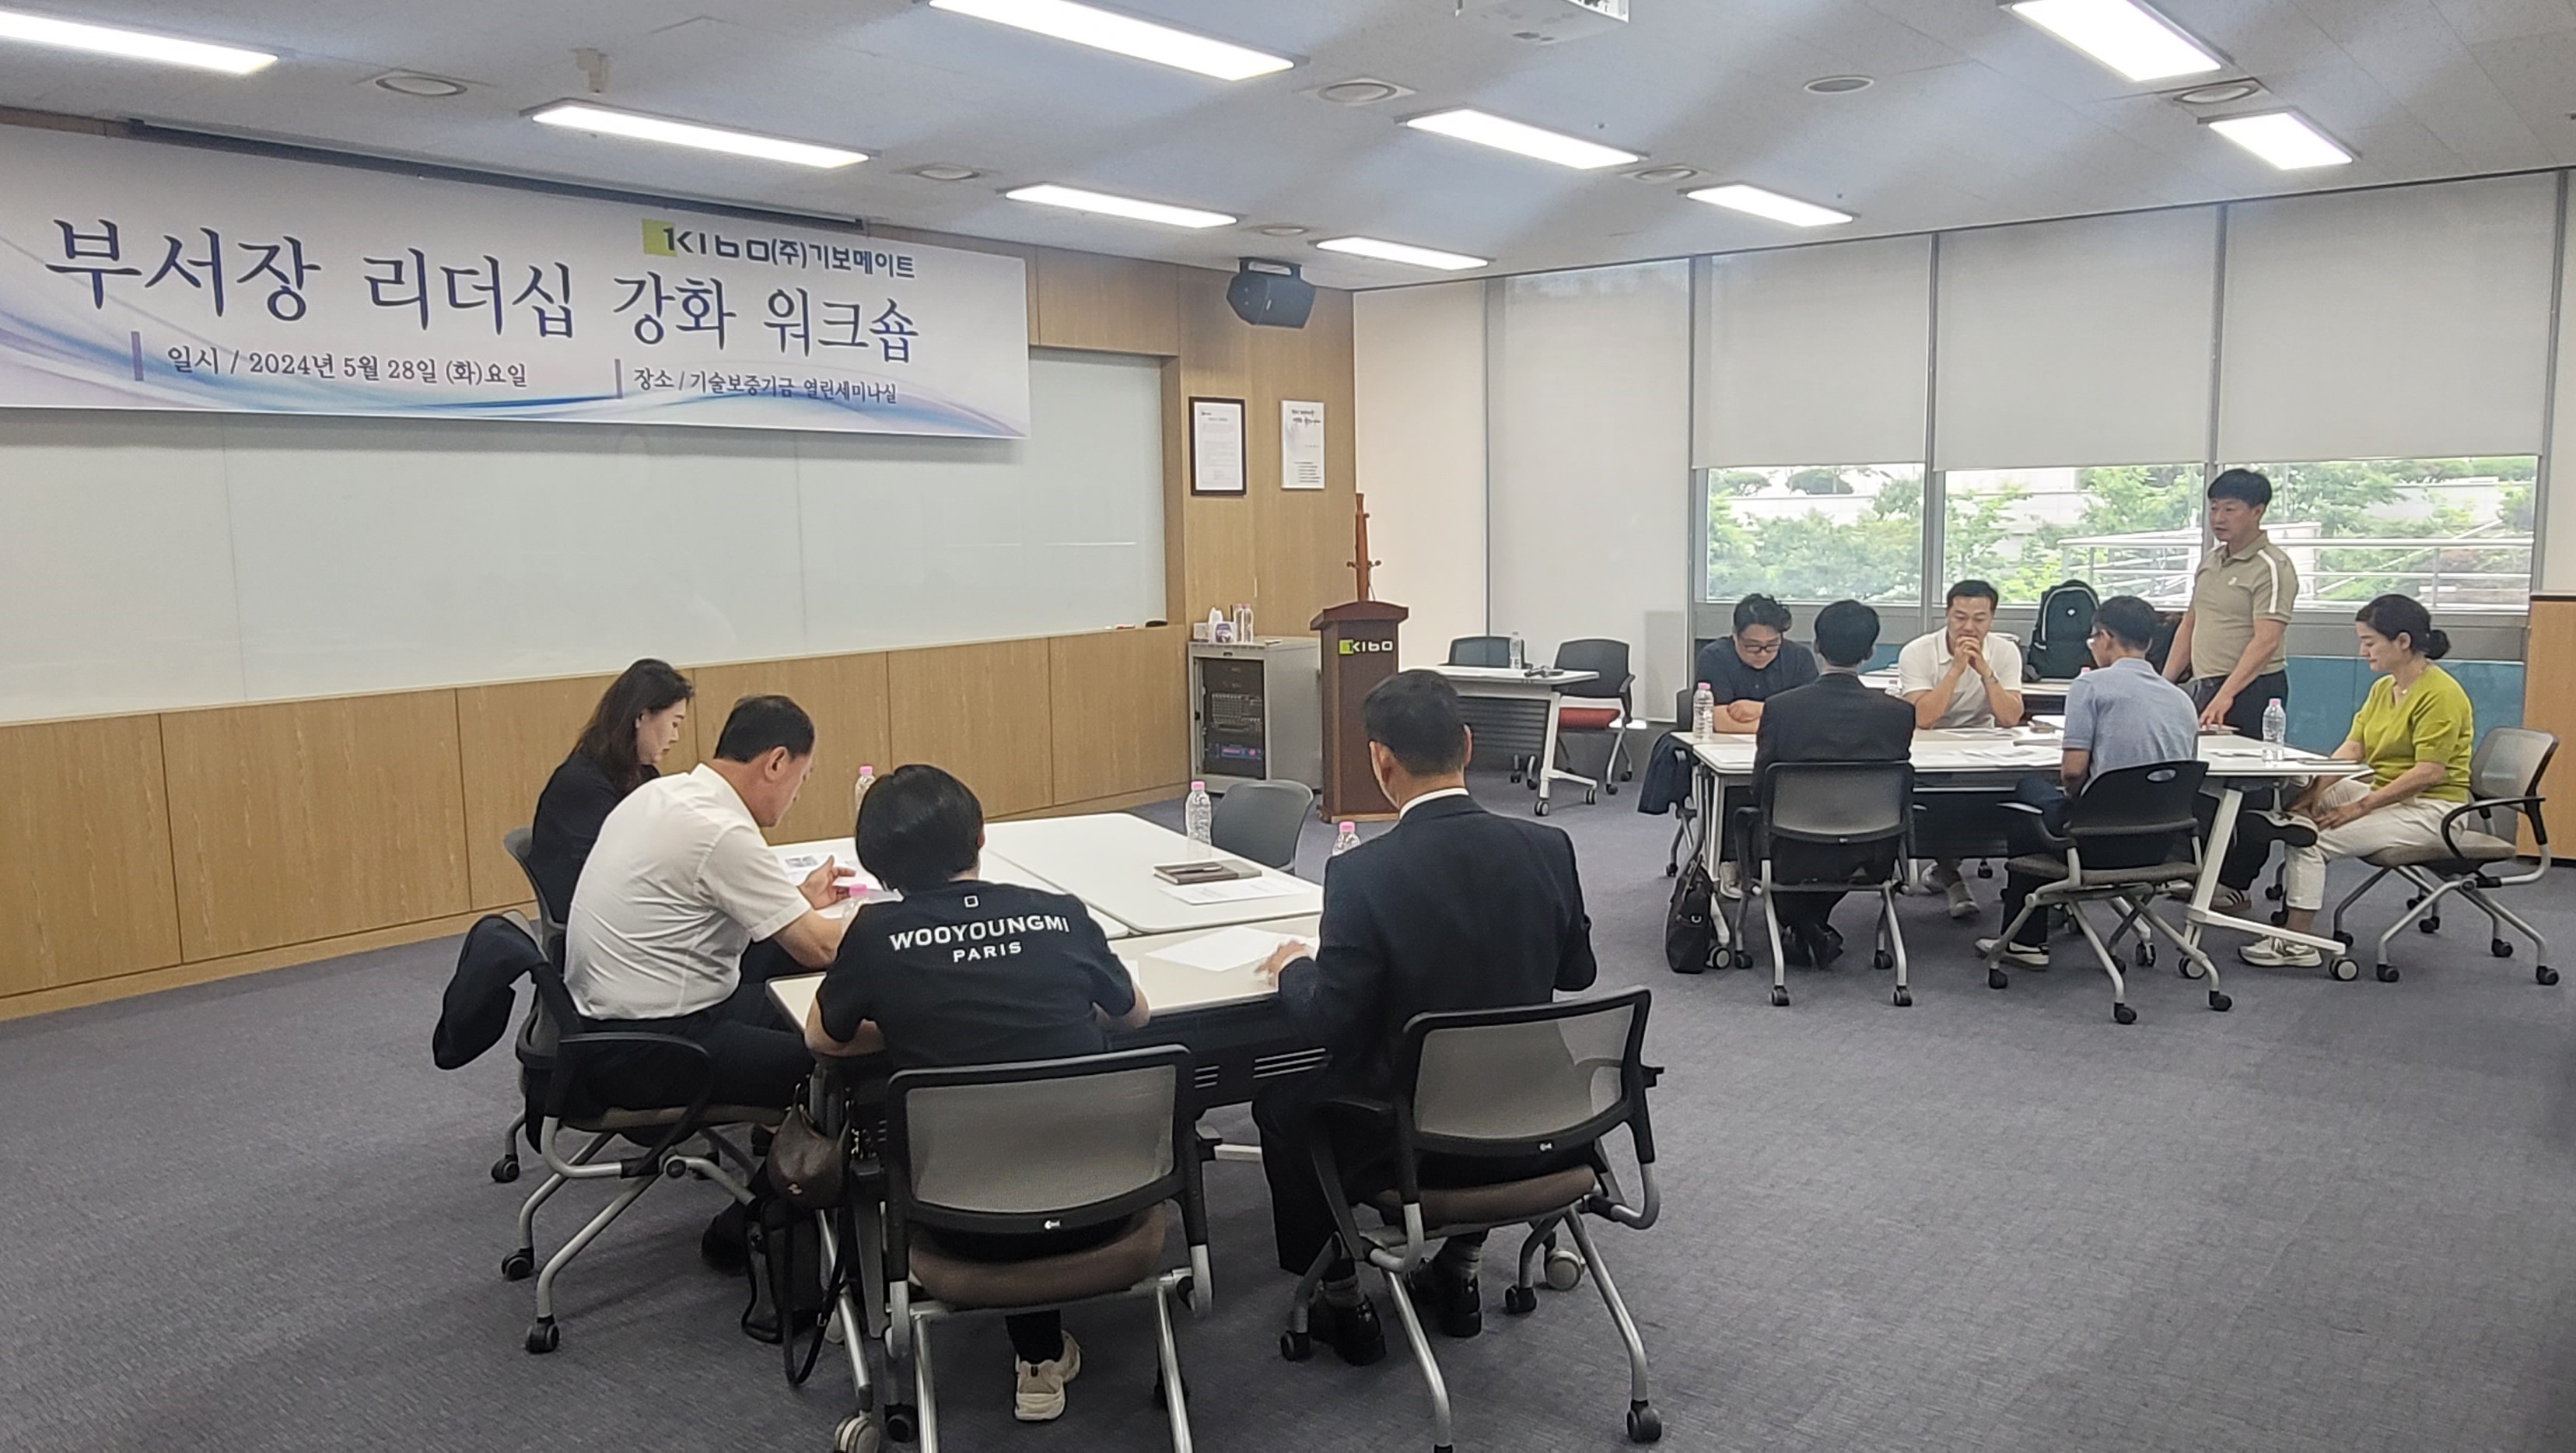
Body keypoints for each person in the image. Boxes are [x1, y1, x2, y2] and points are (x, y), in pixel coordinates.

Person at [1248, 670, 1596, 1364]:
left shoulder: (1364, 874)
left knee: (1282, 1109)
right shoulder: (1548, 847)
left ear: (1381, 760)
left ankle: (1342, 1297)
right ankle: (1460, 1269)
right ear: (1466, 745)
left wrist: (1294, 968)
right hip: (1538, 1118)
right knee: (1469, 1088)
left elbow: (1327, 1022)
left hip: (1414, 1139)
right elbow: (1577, 975)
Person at [804, 765, 1150, 1424]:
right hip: (1107, 1199)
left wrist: (914, 1025)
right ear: (981, 836)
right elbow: (1134, 1017)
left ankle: (1031, 1347)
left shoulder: (873, 935)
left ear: (876, 865)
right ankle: (1041, 1351)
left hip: (958, 1218)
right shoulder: (1061, 914)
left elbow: (823, 1037)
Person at [564, 694, 847, 1114]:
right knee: (841, 1059)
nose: (797, 795)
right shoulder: (720, 829)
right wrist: (898, 922)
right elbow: (819, 947)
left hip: (603, 1028)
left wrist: (799, 900)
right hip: (654, 1049)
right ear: (776, 763)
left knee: (811, 1006)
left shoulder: (662, 794)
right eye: (802, 778)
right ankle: (800, 1154)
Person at [2232, 595, 2474, 969]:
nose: (2363, 652)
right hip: (2386, 793)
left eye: (2370, 642)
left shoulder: (2440, 695)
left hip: (2434, 810)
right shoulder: (2384, 688)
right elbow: (2353, 748)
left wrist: (2358, 808)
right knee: (2299, 783)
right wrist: (2317, 790)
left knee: (2311, 841)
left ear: (2403, 642)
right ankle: (2290, 818)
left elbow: (2428, 773)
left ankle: (2298, 942)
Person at [1976, 596, 2200, 968]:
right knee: (2052, 805)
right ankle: (2052, 910)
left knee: (2030, 793)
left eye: (2093, 639)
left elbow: (2073, 772)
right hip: (2160, 845)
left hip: (2098, 844)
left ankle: (2026, 938)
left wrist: (2078, 797)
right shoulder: (2181, 700)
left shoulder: (2091, 685)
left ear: (2106, 638)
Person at [1750, 600, 1918, 967]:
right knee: (1834, 852)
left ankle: (1802, 922)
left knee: (1752, 822)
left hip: (1793, 848)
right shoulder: (1899, 713)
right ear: (1871, 652)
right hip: (1871, 850)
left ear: (1816, 646)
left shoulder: (1782, 708)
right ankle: (1809, 923)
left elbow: (1760, 788)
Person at [528, 659, 695, 924]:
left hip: (626, 907)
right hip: (598, 923)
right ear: (642, 717)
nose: (675, 737)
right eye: (674, 723)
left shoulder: (640, 773)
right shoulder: (581, 784)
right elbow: (608, 873)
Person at [1898, 579, 2025, 919]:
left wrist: (1986, 672)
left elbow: (2009, 717)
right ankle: (1951, 875)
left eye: (1979, 619)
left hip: (1983, 745)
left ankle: (2000, 880)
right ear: (1947, 615)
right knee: (1941, 802)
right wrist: (1955, 670)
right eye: (1960, 617)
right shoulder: (1917, 652)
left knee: (2011, 796)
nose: (1969, 627)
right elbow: (1924, 718)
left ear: (1992, 619)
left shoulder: (2005, 651)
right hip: (1928, 746)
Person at [2165, 468, 2299, 737]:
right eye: (2214, 508)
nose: (2218, 518)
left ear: (2257, 511)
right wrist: (2164, 685)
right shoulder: (2211, 560)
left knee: (2237, 761)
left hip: (2251, 687)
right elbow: (2190, 623)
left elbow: (2267, 641)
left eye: (2229, 509)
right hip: (2205, 682)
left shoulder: (2272, 566)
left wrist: (2226, 695)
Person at [1692, 593, 1821, 736]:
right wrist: (1783, 720)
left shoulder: (1799, 657)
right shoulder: (1715, 657)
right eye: (1753, 646)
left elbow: (1811, 715)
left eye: (1772, 645)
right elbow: (1719, 721)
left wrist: (1762, 709)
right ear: (1735, 634)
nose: (1763, 653)